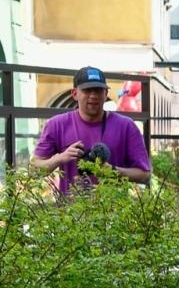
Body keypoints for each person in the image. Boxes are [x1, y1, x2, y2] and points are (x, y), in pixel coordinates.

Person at [32, 66, 152, 194]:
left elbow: (145, 175)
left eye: (98, 90)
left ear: (106, 94)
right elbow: (34, 170)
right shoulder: (57, 125)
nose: (93, 96)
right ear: (74, 94)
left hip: (113, 206)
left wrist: (112, 171)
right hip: (70, 206)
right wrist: (60, 158)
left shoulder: (126, 126)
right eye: (87, 90)